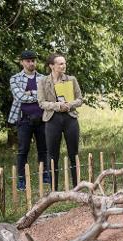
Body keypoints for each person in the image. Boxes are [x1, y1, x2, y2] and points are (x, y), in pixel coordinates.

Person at [38, 53, 83, 190]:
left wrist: (70, 105)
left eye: (64, 63)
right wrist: (57, 105)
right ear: (51, 66)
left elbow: (80, 99)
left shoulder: (71, 79)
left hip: (70, 118)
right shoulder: (43, 81)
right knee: (52, 154)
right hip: (52, 119)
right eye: (60, 63)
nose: (64, 66)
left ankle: (76, 187)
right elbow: (41, 103)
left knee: (73, 153)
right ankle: (54, 189)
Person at [8, 50, 49, 191]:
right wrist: (38, 94)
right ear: (22, 62)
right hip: (24, 120)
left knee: (43, 149)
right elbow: (20, 97)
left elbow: (48, 96)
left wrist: (30, 93)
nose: (31, 63)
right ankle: (21, 180)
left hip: (42, 119)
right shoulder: (14, 79)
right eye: (28, 61)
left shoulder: (44, 78)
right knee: (22, 150)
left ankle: (45, 176)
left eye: (33, 60)